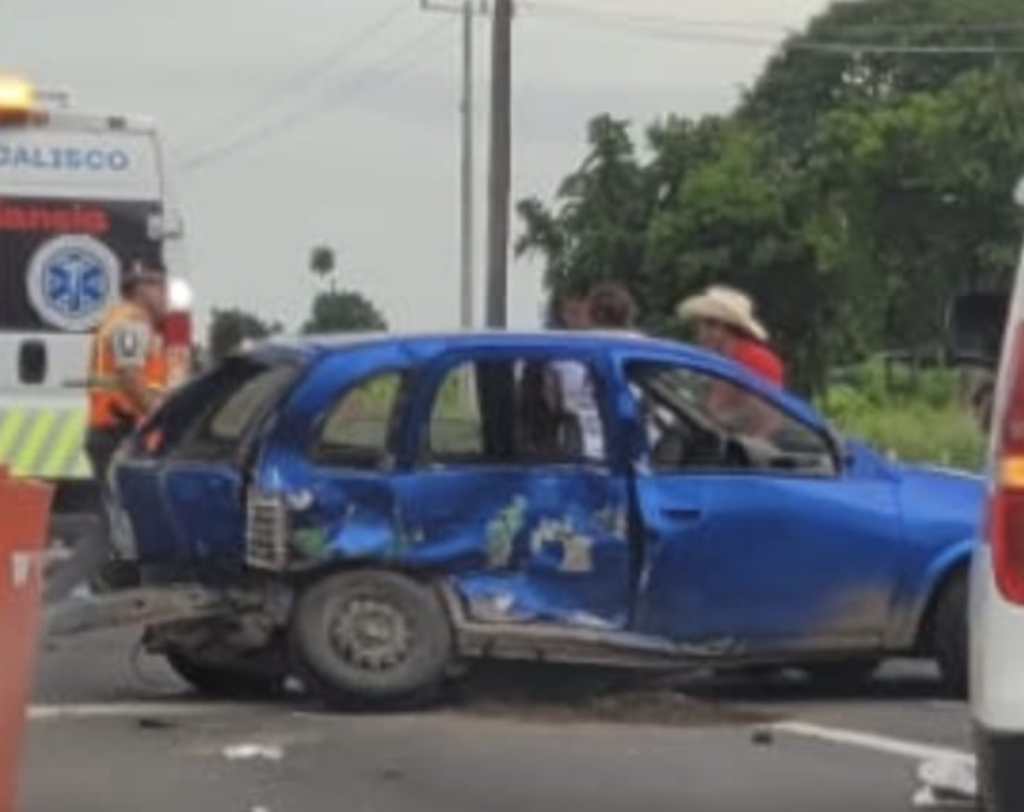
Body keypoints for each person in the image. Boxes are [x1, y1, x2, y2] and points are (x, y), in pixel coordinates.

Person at [85, 265, 169, 486]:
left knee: (115, 504)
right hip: (120, 429)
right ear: (141, 290)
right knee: (126, 503)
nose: (165, 295)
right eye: (159, 287)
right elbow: (130, 376)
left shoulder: (119, 318)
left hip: (110, 428)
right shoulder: (131, 324)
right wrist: (161, 419)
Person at [676, 285, 784, 386]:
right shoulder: (718, 362)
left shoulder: (756, 361)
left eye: (700, 328)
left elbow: (720, 404)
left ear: (717, 328)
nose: (698, 336)